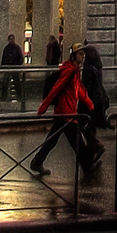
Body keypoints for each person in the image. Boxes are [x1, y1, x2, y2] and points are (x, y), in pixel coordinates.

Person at [30, 43, 95, 176]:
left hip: (67, 112)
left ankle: (37, 162)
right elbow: (56, 89)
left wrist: (89, 103)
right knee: (77, 142)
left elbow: (80, 91)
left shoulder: (75, 71)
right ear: (73, 56)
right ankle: (88, 166)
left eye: (84, 54)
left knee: (52, 140)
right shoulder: (69, 71)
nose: (83, 57)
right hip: (65, 112)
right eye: (80, 54)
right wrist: (44, 106)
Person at [79, 43, 108, 167]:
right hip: (98, 101)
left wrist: (81, 99)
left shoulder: (88, 68)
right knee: (91, 127)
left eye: (84, 54)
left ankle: (97, 145)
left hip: (90, 101)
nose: (83, 57)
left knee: (82, 124)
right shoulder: (98, 66)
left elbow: (87, 87)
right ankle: (90, 160)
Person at [0, 33, 24, 101]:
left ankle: (18, 95)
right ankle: (5, 96)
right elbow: (4, 58)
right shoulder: (10, 48)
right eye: (11, 39)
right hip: (9, 67)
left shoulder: (11, 48)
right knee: (6, 82)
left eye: (12, 39)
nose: (12, 40)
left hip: (13, 67)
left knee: (16, 82)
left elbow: (20, 58)